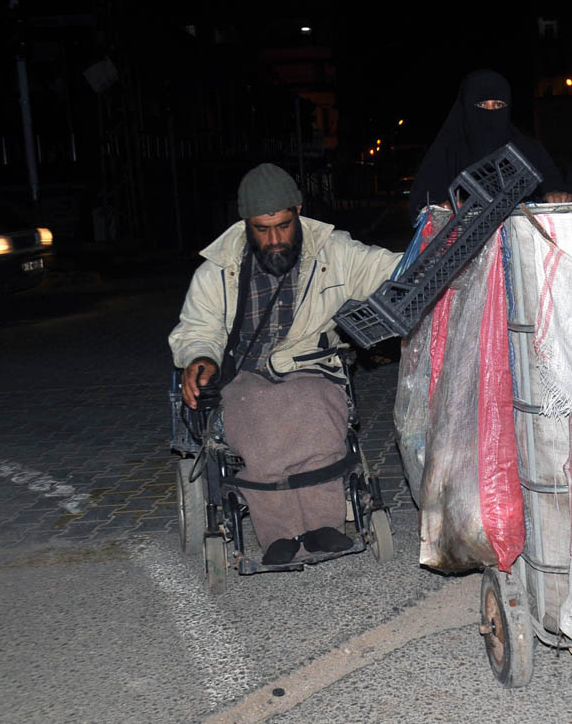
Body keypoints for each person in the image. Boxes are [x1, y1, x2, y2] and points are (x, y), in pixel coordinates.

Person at [169, 163, 401, 565]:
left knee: (314, 406)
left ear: (298, 210)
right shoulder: (216, 272)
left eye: (283, 225)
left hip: (310, 365)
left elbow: (393, 268)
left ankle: (324, 524)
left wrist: (441, 239)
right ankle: (279, 532)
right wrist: (200, 358)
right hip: (243, 374)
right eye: (262, 229)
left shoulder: (334, 252)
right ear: (245, 224)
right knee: (255, 413)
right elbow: (197, 328)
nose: (275, 239)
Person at [408, 69, 572, 214]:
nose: (490, 112)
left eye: (498, 105)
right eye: (481, 105)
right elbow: (423, 204)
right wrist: (442, 209)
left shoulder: (528, 150)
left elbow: (555, 189)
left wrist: (555, 196)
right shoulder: (447, 153)